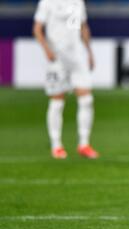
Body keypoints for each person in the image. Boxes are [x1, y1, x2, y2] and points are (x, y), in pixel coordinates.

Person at [33, 0, 99, 159]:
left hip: (77, 56)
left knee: (87, 100)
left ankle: (84, 144)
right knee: (57, 101)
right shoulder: (47, 2)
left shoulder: (78, 2)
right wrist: (47, 50)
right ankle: (56, 145)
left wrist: (89, 52)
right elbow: (37, 28)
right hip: (57, 58)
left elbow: (83, 26)